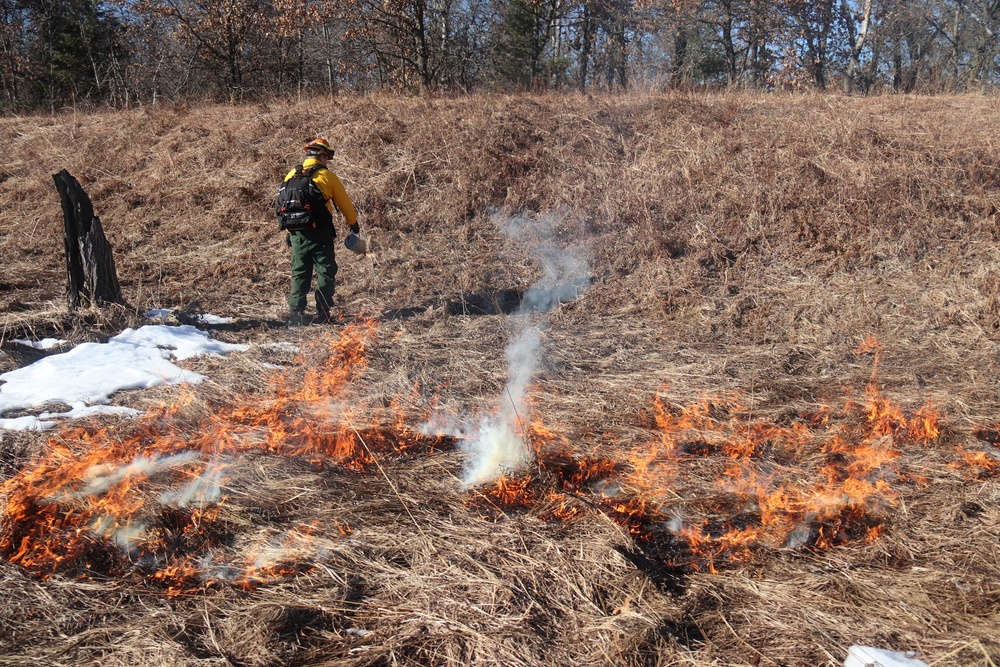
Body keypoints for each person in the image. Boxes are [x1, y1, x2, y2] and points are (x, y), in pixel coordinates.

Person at [282, 138, 359, 325]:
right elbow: (344, 203)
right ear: (322, 155)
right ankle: (323, 313)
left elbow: (287, 205)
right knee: (325, 271)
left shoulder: (291, 175)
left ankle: (295, 314)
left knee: (300, 272)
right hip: (320, 233)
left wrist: (288, 233)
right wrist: (353, 223)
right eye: (327, 157)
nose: (327, 161)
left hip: (296, 233)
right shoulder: (327, 176)